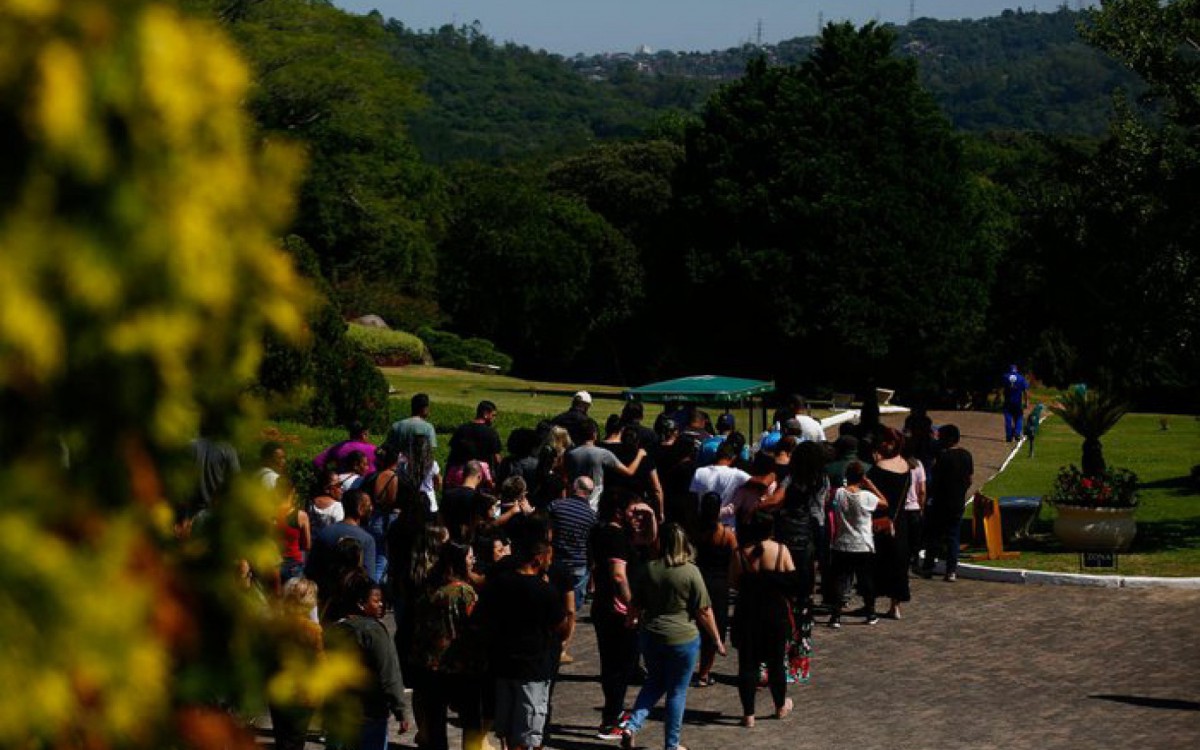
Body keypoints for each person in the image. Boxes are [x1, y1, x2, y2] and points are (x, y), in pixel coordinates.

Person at [618, 522, 724, 750]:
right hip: (682, 638)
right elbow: (704, 611)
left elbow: (635, 604)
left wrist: (629, 621)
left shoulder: (649, 568)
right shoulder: (690, 571)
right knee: (677, 692)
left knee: (653, 683)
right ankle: (671, 744)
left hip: (652, 635)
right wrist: (716, 639)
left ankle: (631, 726)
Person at [477, 534, 570, 750]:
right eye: (548, 558)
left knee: (507, 731)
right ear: (538, 559)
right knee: (530, 733)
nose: (550, 563)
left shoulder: (500, 583)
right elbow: (562, 629)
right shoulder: (545, 591)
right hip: (534, 668)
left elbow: (484, 616)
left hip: (503, 665)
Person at [411, 541, 487, 750]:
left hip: (433, 666)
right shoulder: (464, 592)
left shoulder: (430, 589)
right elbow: (475, 627)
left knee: (436, 723)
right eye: (470, 557)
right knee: (471, 720)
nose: (473, 561)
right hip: (462, 666)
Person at [324, 579, 411, 750]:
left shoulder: (335, 629)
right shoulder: (374, 632)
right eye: (376, 600)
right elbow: (389, 674)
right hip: (370, 712)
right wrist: (401, 711)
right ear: (361, 604)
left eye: (382, 600)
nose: (381, 605)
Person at [729, 511, 797, 727]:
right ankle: (779, 706)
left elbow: (733, 582)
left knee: (747, 665)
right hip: (774, 613)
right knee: (776, 664)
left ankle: (748, 714)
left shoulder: (740, 553)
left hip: (747, 612)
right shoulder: (781, 550)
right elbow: (792, 580)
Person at [590, 491, 640, 740]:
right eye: (633, 510)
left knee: (611, 664)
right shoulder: (617, 536)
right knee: (621, 665)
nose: (637, 516)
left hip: (602, 605)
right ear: (619, 511)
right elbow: (618, 574)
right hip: (617, 609)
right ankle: (611, 719)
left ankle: (613, 714)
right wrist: (632, 606)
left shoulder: (599, 531)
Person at [267, 578, 324, 750]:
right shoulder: (313, 630)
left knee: (282, 740)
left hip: (277, 692)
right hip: (302, 695)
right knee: (295, 741)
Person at [828, 462, 887, 628]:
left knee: (840, 580)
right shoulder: (867, 496)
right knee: (865, 580)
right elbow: (884, 503)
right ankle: (870, 612)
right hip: (862, 544)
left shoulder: (839, 493)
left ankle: (836, 616)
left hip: (842, 543)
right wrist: (870, 485)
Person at [548, 476, 598, 662]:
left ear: (573, 487)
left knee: (552, 604)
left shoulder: (556, 506)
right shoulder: (592, 516)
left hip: (555, 561)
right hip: (578, 565)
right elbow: (591, 544)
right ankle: (562, 648)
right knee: (570, 610)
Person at [690, 492, 736, 688]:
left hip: (697, 579)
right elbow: (735, 560)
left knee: (694, 624)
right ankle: (704, 672)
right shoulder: (726, 534)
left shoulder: (695, 531)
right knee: (714, 626)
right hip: (718, 584)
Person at [867, 427, 913, 620]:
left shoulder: (879, 468)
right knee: (898, 563)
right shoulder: (906, 467)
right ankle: (895, 605)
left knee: (875, 562)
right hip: (899, 520)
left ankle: (870, 604)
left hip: (879, 520)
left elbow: (870, 493)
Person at [921, 424, 974, 582]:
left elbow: (935, 481)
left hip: (941, 502)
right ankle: (951, 570)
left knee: (934, 536)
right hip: (958, 501)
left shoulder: (943, 458)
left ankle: (928, 567)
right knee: (953, 536)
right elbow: (970, 479)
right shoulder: (966, 455)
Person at [564, 419, 646, 510]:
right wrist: (640, 455)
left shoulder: (571, 454)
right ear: (594, 435)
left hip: (572, 501)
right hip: (593, 502)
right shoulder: (602, 453)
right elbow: (629, 472)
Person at [307, 488, 377, 589]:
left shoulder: (325, 533)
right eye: (368, 505)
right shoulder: (367, 540)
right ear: (360, 508)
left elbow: (311, 570)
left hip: (326, 595)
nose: (371, 508)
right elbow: (369, 580)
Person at [446, 401, 502, 489]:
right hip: (482, 478)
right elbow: (496, 458)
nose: (493, 419)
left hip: (460, 476)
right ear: (486, 414)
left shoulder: (462, 429)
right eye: (493, 415)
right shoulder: (491, 433)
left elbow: (452, 455)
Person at [274, 477, 311, 584]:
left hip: (274, 564)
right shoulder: (301, 516)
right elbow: (307, 545)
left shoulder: (269, 513)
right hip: (294, 564)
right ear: (293, 491)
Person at [313, 420, 377, 475]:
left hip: (342, 486)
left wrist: (329, 476)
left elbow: (317, 461)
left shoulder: (338, 447)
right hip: (367, 486)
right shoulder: (373, 449)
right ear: (363, 434)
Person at [1002, 364, 1030, 443]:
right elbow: (1025, 391)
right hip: (1017, 402)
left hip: (1007, 402)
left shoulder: (1005, 377)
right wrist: (1026, 401)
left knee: (1008, 419)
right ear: (1016, 370)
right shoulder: (1021, 378)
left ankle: (1009, 436)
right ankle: (1017, 433)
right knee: (1019, 417)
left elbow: (1002, 387)